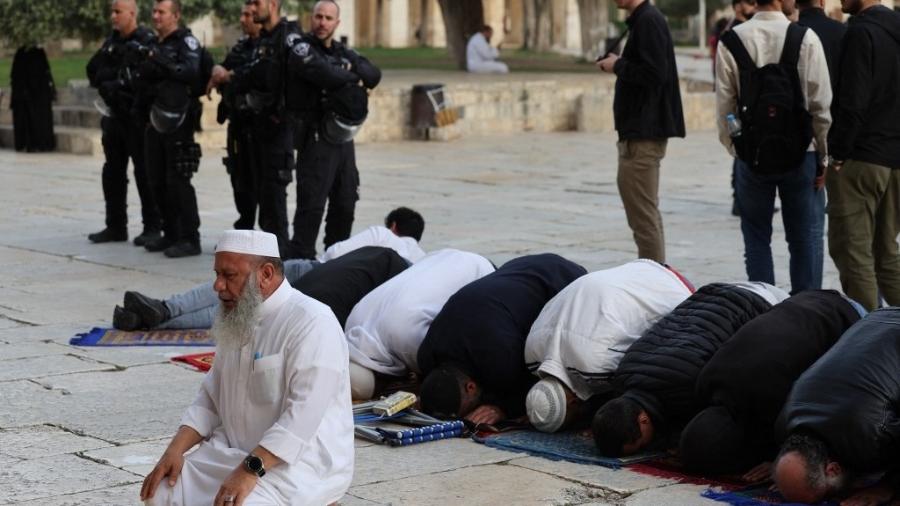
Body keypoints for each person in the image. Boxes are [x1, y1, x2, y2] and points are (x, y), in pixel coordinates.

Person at [140, 230, 353, 505]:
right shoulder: (239, 316)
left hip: (293, 464)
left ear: (265, 274)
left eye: (229, 276)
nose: (217, 285)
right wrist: (174, 451)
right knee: (160, 493)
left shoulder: (313, 322)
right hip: (228, 452)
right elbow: (210, 397)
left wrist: (248, 470)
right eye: (217, 274)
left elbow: (302, 418)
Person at [113, 207, 425, 330]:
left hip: (313, 269)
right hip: (339, 292)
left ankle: (164, 308)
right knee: (243, 300)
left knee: (234, 286)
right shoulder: (420, 260)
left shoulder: (381, 236)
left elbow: (335, 251)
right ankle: (155, 322)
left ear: (393, 225)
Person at [591, 282, 788, 456]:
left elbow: (720, 422)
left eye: (642, 444)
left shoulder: (685, 390)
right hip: (712, 291)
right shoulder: (623, 373)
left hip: (766, 303)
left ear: (643, 420)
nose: (647, 446)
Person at [679, 290, 863, 476]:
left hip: (849, 317)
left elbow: (817, 429)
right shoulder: (706, 382)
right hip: (805, 298)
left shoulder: (771, 407)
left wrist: (779, 459)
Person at [715, 0, 831, 294]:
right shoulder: (804, 38)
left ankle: (765, 306)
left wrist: (737, 147)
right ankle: (806, 311)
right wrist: (824, 156)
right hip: (801, 153)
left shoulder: (732, 40)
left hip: (752, 154)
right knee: (803, 239)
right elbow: (820, 105)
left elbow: (726, 106)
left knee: (756, 238)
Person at [523, 260, 694, 433]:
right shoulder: (531, 353)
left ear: (573, 403)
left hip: (675, 289)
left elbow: (641, 367)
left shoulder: (595, 367)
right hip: (643, 267)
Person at [416, 253, 586, 426]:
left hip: (565, 281)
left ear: (471, 387)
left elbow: (537, 392)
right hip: (521, 267)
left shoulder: (502, 359)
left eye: (467, 410)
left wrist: (502, 408)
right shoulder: (425, 356)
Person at [283, 0, 382, 260]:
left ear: (337, 23)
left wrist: (347, 69)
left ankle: (336, 258)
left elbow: (373, 75)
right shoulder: (301, 48)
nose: (322, 22)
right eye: (318, 16)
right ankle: (300, 261)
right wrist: (351, 73)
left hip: (343, 140)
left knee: (346, 200)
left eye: (328, 18)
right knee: (312, 204)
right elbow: (325, 75)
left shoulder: (343, 51)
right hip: (315, 138)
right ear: (311, 18)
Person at [773, 307, 900, 505]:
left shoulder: (870, 435)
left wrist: (889, 486)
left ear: (833, 469)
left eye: (826, 497)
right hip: (878, 318)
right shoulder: (784, 425)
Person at [596, 0, 684, 264]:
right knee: (642, 213)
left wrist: (617, 66)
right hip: (637, 131)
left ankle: (653, 279)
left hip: (644, 134)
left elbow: (655, 73)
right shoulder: (642, 20)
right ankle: (652, 274)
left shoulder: (648, 21)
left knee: (644, 217)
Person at [825, 0, 900, 311]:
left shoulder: (860, 33)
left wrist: (838, 153)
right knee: (887, 254)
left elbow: (852, 100)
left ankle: (863, 341)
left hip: (862, 158)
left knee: (854, 254)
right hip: (895, 160)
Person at [208, 0, 300, 251]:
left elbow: (265, 76)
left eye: (255, 5)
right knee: (248, 187)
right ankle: (259, 251)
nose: (246, 16)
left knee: (273, 201)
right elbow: (248, 71)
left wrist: (235, 76)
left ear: (272, 5)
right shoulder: (262, 42)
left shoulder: (288, 38)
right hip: (253, 130)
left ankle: (282, 259)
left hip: (276, 129)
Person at [344, 248, 495, 400]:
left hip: (482, 272)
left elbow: (447, 374)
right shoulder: (351, 324)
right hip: (440, 255)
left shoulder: (408, 341)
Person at [86, 0, 162, 246]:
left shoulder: (145, 41)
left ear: (132, 14)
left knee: (144, 172)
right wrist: (111, 82)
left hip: (136, 119)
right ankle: (115, 225)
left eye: (118, 12)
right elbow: (93, 70)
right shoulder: (111, 42)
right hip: (114, 118)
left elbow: (144, 78)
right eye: (112, 11)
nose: (113, 16)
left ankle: (152, 226)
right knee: (112, 172)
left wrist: (118, 84)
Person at [134, 0, 205, 258]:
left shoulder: (186, 43)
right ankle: (171, 232)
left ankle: (190, 237)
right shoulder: (154, 44)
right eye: (153, 12)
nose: (155, 17)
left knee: (178, 180)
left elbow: (189, 72)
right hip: (154, 121)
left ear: (175, 16)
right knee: (156, 180)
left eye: (161, 12)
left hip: (179, 121)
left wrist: (158, 60)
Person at [797, 0, 846, 290]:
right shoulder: (842, 33)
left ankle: (805, 296)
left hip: (801, 145)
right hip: (841, 144)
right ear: (822, 2)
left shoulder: (794, 33)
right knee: (856, 238)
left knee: (807, 228)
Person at [208, 4, 262, 232]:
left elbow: (256, 75)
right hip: (238, 124)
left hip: (259, 127)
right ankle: (245, 223)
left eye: (248, 15)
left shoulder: (266, 48)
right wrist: (218, 71)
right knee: (239, 176)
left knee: (262, 180)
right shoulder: (242, 46)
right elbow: (223, 66)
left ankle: (268, 234)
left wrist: (228, 74)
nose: (242, 19)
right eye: (242, 14)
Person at [10, 46, 55, 153]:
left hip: (36, 93)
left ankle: (34, 143)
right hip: (32, 93)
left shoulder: (33, 54)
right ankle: (34, 143)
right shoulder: (25, 55)